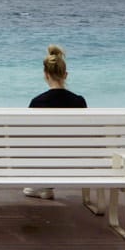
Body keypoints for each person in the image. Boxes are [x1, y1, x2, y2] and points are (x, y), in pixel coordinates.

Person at [24, 44, 85, 199]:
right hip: (75, 162)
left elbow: (29, 137)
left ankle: (43, 184)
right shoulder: (79, 102)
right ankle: (46, 187)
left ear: (46, 75)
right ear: (66, 75)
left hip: (44, 159)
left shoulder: (36, 102)